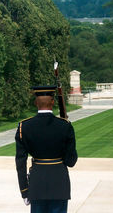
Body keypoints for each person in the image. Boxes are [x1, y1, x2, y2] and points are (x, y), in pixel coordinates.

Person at [15, 85, 78, 213]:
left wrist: (24, 191)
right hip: (59, 184)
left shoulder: (24, 127)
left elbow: (20, 163)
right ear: (53, 102)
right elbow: (71, 161)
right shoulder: (65, 126)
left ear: (35, 103)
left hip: (37, 185)